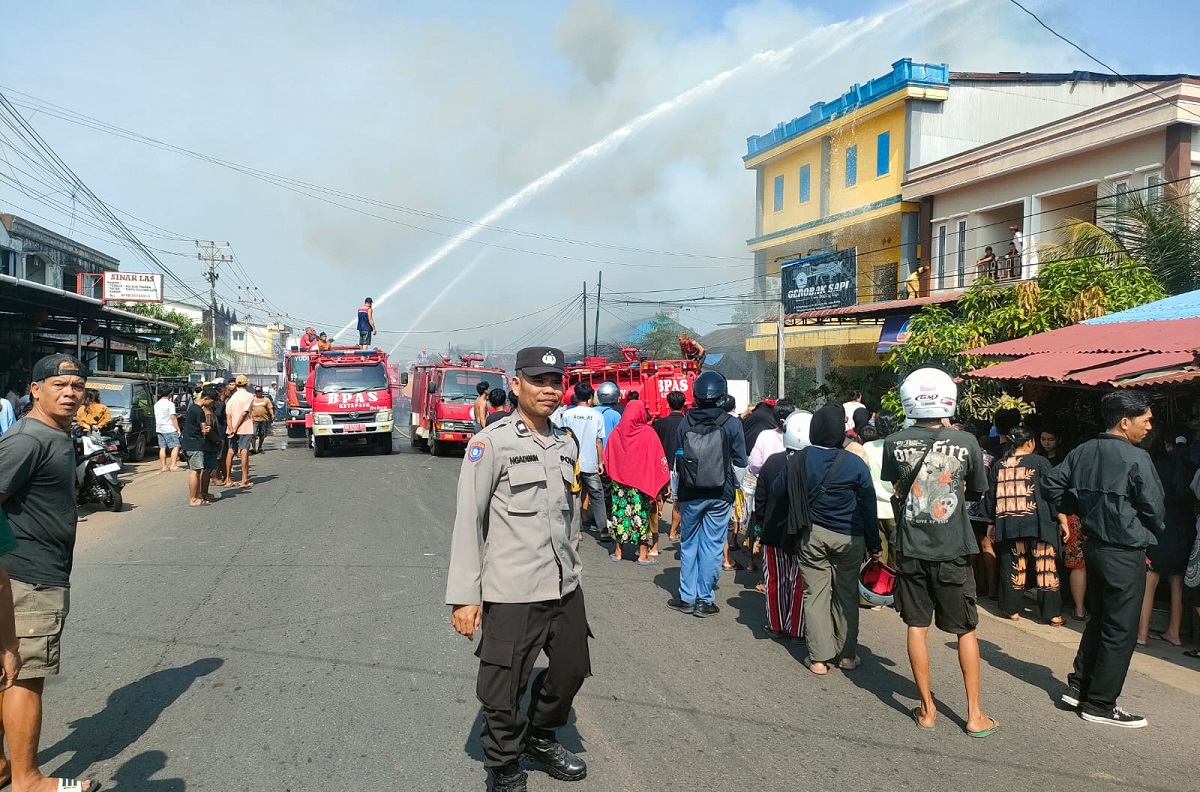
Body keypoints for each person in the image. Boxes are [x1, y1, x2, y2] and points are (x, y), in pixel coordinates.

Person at [445, 346, 589, 792]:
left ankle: (541, 738)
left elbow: (571, 513)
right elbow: (468, 518)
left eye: (555, 382)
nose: (548, 390)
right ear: (516, 384)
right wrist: (466, 596)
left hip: (564, 584)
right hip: (511, 588)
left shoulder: (567, 442)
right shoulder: (491, 443)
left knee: (571, 669)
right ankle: (504, 765)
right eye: (538, 381)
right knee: (503, 688)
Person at [0, 354, 102, 792]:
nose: (70, 393)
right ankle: (28, 779)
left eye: (77, 386)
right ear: (35, 389)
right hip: (28, 575)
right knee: (25, 674)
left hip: (35, 570)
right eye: (58, 385)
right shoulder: (28, 439)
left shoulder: (58, 433)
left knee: (7, 674)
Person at [882, 367, 997, 737]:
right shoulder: (966, 443)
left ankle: (928, 710)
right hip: (953, 549)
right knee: (965, 629)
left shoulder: (893, 441)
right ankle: (975, 714)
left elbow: (896, 486)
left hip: (911, 548)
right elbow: (978, 490)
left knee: (917, 627)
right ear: (948, 398)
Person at [1043, 390, 1163, 729]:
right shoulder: (1136, 458)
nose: (1149, 427)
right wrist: (1146, 528)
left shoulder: (1083, 450)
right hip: (1124, 548)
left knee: (1100, 620)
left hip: (1093, 545)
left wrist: (1071, 510)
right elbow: (1155, 507)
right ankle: (1100, 703)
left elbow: (1051, 484)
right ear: (1125, 422)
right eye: (1146, 420)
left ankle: (1080, 687)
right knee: (1120, 629)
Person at [778, 404, 879, 674]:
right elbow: (869, 506)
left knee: (816, 595)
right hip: (850, 537)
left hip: (812, 535)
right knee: (846, 595)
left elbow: (778, 488)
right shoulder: (855, 463)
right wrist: (875, 545)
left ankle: (820, 659)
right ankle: (846, 656)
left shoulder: (800, 459)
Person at [668, 371, 747, 618]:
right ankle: (705, 599)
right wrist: (734, 488)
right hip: (720, 494)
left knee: (689, 542)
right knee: (713, 545)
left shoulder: (685, 422)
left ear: (696, 396)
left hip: (690, 492)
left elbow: (677, 462)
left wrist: (676, 493)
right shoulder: (732, 423)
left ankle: (687, 597)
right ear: (722, 396)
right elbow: (742, 463)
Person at [986, 425, 1067, 625]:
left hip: (1008, 522)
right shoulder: (1041, 462)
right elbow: (1052, 492)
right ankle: (1052, 614)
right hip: (1039, 522)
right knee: (1045, 565)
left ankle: (1011, 609)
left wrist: (991, 522)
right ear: (1031, 442)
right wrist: (1061, 517)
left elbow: (990, 497)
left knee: (1014, 565)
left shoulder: (999, 465)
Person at [1136, 427, 1196, 647]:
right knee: (1177, 583)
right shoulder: (1192, 469)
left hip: (1161, 530)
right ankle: (1175, 634)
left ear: (1167, 445)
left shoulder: (1158, 467)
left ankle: (1141, 634)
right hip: (1185, 531)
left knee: (1149, 582)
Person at [755, 411, 811, 640]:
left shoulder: (772, 462)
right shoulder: (813, 464)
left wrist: (759, 526)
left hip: (773, 531)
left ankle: (776, 625)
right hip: (801, 532)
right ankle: (797, 627)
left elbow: (760, 500)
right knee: (799, 579)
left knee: (775, 579)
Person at [604, 400, 670, 566]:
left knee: (619, 515)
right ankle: (642, 554)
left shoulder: (616, 433)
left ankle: (618, 552)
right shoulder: (648, 433)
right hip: (641, 485)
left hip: (619, 484)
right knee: (640, 517)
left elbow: (608, 457)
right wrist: (663, 484)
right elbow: (657, 458)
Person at [558, 384, 606, 537]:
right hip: (590, 461)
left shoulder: (567, 414)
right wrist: (600, 462)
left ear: (576, 396)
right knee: (597, 495)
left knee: (573, 496)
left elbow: (561, 437)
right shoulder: (597, 415)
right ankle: (603, 529)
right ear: (591, 398)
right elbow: (598, 442)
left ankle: (576, 530)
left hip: (571, 461)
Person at [655, 390, 687, 544]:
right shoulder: (687, 423)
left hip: (662, 464)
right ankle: (673, 532)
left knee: (659, 495)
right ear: (684, 404)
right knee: (677, 500)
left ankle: (656, 519)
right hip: (680, 465)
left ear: (668, 403)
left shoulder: (660, 423)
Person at [183, 385, 221, 506]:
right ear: (206, 398)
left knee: (196, 471)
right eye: (211, 401)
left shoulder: (192, 408)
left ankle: (197, 496)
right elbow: (204, 429)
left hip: (189, 443)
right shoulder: (199, 411)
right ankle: (194, 498)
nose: (211, 403)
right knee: (195, 472)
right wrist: (208, 429)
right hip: (195, 444)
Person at [224, 375, 255, 489]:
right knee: (244, 451)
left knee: (230, 451)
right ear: (246, 384)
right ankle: (244, 479)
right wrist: (236, 427)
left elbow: (228, 415)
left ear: (236, 384)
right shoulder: (249, 396)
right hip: (245, 427)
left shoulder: (232, 398)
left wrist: (231, 428)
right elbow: (244, 413)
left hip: (231, 427)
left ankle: (228, 479)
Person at [154, 387, 181, 472]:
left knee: (162, 447)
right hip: (169, 428)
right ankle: (173, 465)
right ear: (170, 394)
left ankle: (164, 466)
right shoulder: (170, 404)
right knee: (175, 446)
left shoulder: (157, 404)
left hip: (159, 428)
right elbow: (173, 417)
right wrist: (178, 429)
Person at [250, 386, 274, 453]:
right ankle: (254, 448)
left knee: (262, 434)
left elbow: (270, 408)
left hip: (263, 419)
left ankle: (260, 447)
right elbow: (249, 409)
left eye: (259, 391)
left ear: (262, 392)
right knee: (253, 434)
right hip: (254, 419)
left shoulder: (266, 400)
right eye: (257, 391)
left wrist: (272, 415)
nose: (258, 393)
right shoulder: (252, 399)